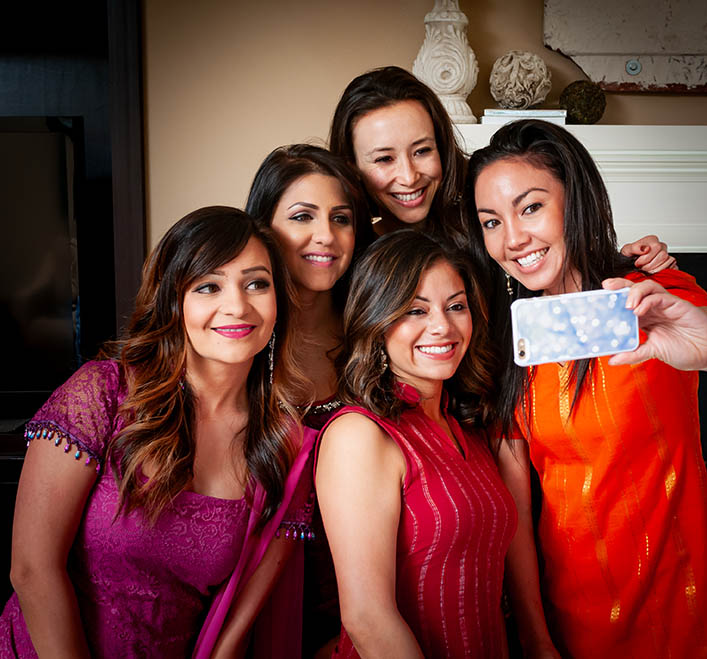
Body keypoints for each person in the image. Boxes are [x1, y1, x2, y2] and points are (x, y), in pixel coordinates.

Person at [465, 119, 707, 658]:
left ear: (575, 200)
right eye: (491, 221)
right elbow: (516, 507)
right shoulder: (508, 345)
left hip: (687, 594)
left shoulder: (648, 297)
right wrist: (536, 635)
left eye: (531, 207)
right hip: (578, 612)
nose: (512, 239)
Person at [0, 207, 315, 658]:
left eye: (256, 283)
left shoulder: (285, 445)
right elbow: (32, 569)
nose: (238, 305)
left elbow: (233, 632)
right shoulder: (103, 393)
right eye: (209, 286)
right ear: (173, 300)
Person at [315, 231, 524, 658]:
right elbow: (367, 618)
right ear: (377, 319)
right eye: (415, 309)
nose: (443, 326)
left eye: (456, 306)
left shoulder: (468, 430)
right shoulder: (359, 434)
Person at [328, 65, 675, 273]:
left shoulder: (485, 224)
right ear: (351, 167)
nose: (408, 176)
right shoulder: (348, 254)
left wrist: (625, 262)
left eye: (422, 151)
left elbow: (556, 267)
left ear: (442, 148)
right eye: (384, 159)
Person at [244, 144, 372, 657]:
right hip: (252, 589)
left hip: (357, 588)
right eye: (302, 217)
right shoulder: (235, 338)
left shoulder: (373, 337)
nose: (326, 236)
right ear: (263, 227)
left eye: (341, 219)